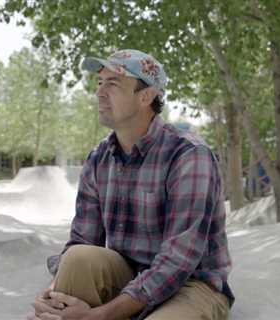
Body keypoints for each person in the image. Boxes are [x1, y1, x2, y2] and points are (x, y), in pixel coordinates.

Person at [29, 49, 234, 320]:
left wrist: (100, 315)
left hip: (190, 284)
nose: (100, 92)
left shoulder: (188, 155)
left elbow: (178, 260)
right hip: (127, 277)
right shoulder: (98, 158)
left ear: (146, 96)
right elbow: (82, 241)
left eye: (113, 83)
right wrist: (53, 291)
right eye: (99, 83)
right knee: (78, 258)